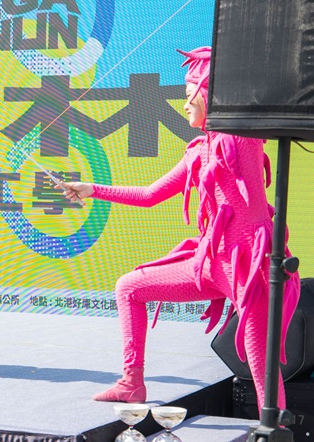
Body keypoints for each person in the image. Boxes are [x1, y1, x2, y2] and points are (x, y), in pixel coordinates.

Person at [61, 47, 300, 408]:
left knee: (260, 364)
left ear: (211, 96)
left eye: (190, 96)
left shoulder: (240, 141)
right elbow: (149, 194)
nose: (184, 104)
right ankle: (131, 383)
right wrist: (91, 189)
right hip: (208, 264)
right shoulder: (195, 152)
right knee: (129, 287)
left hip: (249, 268)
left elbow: (242, 96)